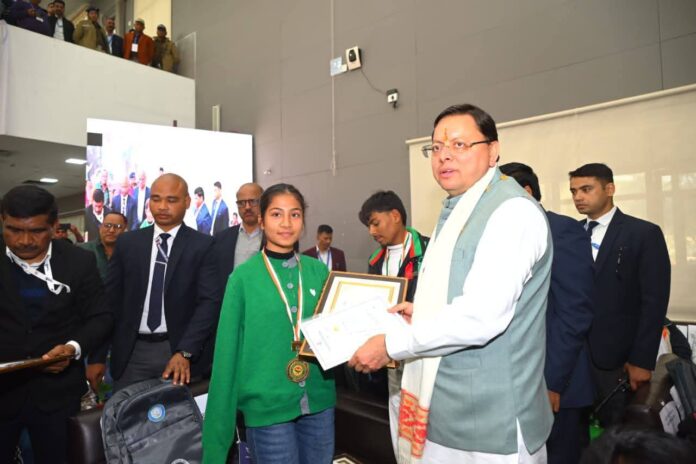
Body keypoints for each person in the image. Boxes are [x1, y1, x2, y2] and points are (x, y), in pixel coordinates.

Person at [350, 104, 553, 463]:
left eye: (460, 145)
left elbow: (481, 316)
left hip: (491, 421)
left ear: (493, 150)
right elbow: (466, 292)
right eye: (437, 147)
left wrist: (391, 345)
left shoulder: (511, 212)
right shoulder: (462, 207)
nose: (444, 156)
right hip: (448, 411)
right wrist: (423, 311)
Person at [203, 183, 335, 464]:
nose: (286, 223)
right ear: (261, 220)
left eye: (295, 214)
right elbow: (226, 358)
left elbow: (336, 334)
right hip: (266, 410)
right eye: (276, 214)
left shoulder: (318, 271)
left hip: (319, 403)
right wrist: (215, 447)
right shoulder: (242, 279)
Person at [0, 185, 112, 464]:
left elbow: (101, 316)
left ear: (53, 225)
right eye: (14, 230)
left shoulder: (79, 261)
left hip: (57, 396)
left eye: (36, 231)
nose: (24, 240)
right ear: (3, 221)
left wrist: (73, 348)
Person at [87, 174, 221, 392]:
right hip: (131, 354)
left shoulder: (203, 245)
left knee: (178, 415)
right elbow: (110, 303)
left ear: (187, 202)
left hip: (179, 354)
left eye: (171, 200)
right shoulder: (128, 243)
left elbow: (209, 303)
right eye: (156, 199)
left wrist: (186, 351)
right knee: (126, 413)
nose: (162, 206)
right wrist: (97, 356)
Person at [501, 162, 595, 464]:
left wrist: (552, 382)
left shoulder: (560, 230)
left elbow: (574, 313)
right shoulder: (503, 237)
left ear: (526, 192)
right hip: (516, 382)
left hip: (555, 383)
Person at [569, 163, 671, 426]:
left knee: (617, 433)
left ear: (610, 189)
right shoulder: (569, 234)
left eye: (586, 189)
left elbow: (654, 302)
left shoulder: (643, 233)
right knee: (578, 433)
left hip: (619, 359)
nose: (578, 197)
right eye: (574, 191)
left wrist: (641, 360)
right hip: (575, 357)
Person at [355, 189, 430, 456]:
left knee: (426, 429)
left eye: (375, 223)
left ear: (395, 215)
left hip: (423, 352)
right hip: (389, 355)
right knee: (399, 420)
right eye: (368, 226)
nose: (371, 231)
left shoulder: (430, 250)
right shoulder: (375, 260)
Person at [79, 212, 128, 396]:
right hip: (89, 326)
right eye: (107, 225)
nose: (111, 230)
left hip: (120, 328)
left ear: (125, 230)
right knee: (89, 388)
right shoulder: (83, 251)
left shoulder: (131, 254)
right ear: (100, 227)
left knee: (115, 387)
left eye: (117, 227)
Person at [212, 182, 263, 287]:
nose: (247, 207)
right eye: (242, 203)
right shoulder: (221, 239)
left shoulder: (275, 238)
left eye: (253, 201)